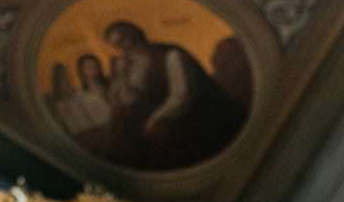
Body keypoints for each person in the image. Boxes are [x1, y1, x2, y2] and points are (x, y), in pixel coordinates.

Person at [102, 20, 244, 171]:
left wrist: (154, 118)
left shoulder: (170, 55)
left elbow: (181, 96)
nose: (123, 47)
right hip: (154, 111)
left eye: (124, 39)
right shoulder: (127, 65)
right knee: (120, 116)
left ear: (134, 35)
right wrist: (122, 76)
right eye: (116, 44)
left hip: (193, 111)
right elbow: (128, 100)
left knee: (161, 130)